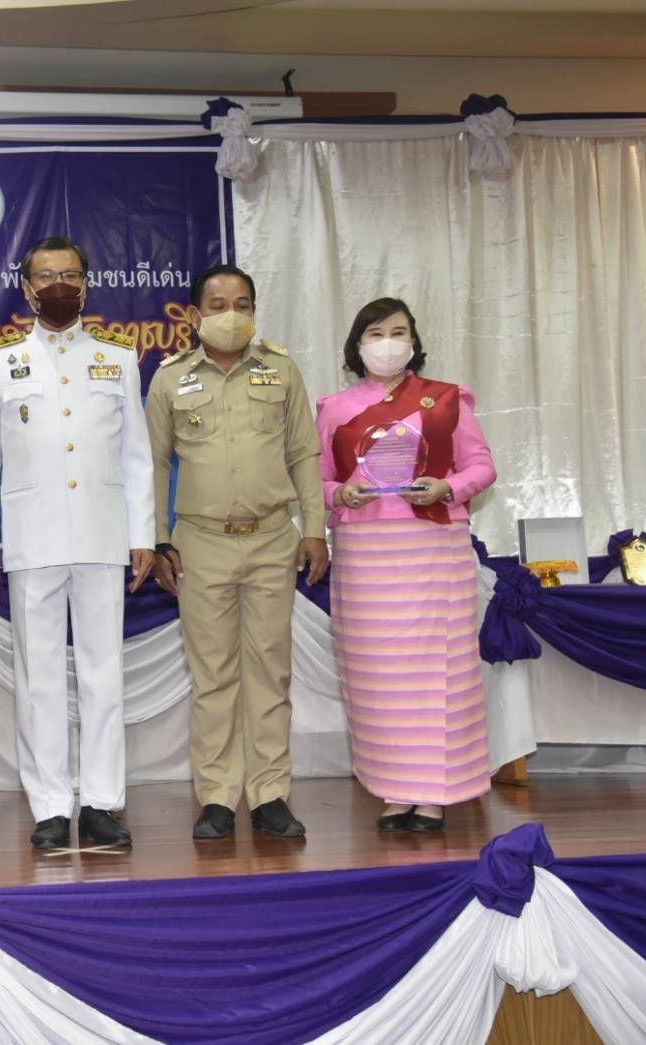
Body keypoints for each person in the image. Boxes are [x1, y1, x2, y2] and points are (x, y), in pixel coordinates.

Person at [0, 235, 155, 850]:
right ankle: (49, 805)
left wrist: (143, 535)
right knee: (39, 676)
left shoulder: (118, 358)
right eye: (46, 276)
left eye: (70, 275)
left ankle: (102, 802)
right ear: (26, 287)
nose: (59, 285)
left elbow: (138, 458)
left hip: (103, 537)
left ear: (87, 284)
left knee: (104, 674)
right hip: (30, 537)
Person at [146, 264, 327, 841]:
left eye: (242, 303)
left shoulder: (282, 369)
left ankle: (270, 793)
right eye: (218, 304)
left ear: (254, 311)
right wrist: (159, 540)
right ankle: (219, 797)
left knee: (271, 672)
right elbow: (151, 464)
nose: (231, 314)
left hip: (274, 538)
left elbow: (304, 453)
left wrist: (315, 528)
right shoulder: (170, 378)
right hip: (200, 543)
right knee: (214, 676)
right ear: (195, 315)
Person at [317, 297, 497, 833]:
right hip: (366, 557)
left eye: (399, 331)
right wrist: (339, 494)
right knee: (377, 676)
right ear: (357, 345)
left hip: (433, 551)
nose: (388, 342)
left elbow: (482, 466)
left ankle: (435, 796)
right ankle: (394, 791)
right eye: (376, 332)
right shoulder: (334, 408)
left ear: (414, 341)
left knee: (438, 674)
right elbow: (318, 481)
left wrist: (448, 487)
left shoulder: (447, 399)